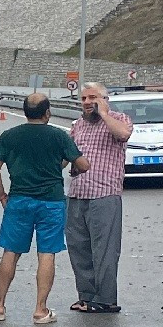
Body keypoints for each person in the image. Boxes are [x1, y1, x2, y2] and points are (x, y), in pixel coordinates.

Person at [0, 94, 90, 323]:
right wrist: (64, 162)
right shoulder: (58, 135)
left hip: (19, 200)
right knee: (46, 253)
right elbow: (83, 164)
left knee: (10, 252)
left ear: (24, 112)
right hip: (51, 202)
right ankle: (40, 310)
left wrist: (2, 196)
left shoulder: (9, 136)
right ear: (47, 113)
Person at [66, 82, 133, 313]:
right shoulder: (77, 126)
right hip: (77, 193)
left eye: (92, 97)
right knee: (79, 248)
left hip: (104, 194)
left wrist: (104, 114)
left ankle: (105, 299)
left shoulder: (119, 119)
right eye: (83, 98)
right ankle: (86, 296)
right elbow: (66, 155)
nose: (86, 103)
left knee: (104, 250)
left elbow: (123, 135)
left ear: (104, 99)